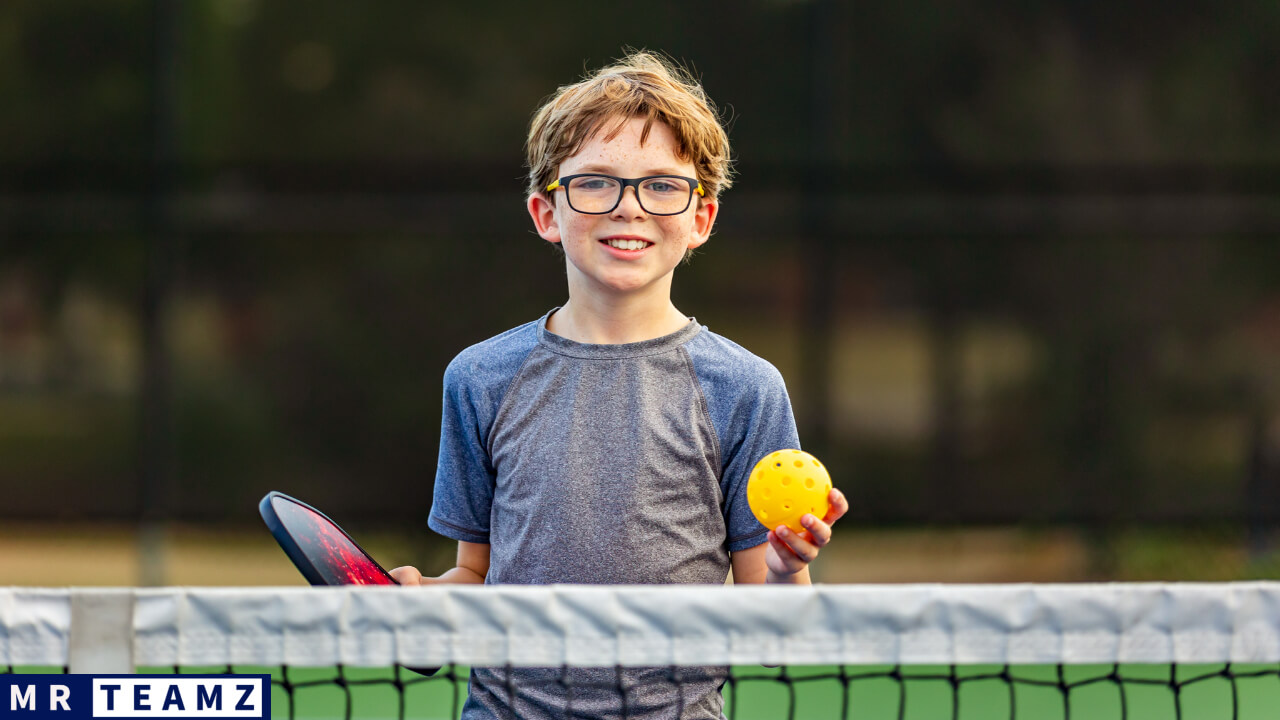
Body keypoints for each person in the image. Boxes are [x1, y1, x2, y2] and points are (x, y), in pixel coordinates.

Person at [391, 50, 848, 719]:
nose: (629, 208)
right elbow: (476, 575)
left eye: (663, 185)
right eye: (595, 183)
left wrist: (783, 569)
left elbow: (779, 626)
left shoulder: (745, 388)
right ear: (547, 213)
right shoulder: (480, 378)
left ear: (701, 218)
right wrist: (430, 596)